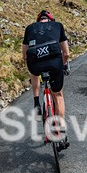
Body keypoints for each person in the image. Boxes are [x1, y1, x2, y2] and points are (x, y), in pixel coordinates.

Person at [23, 9, 70, 149]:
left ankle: (36, 101)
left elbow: (25, 56)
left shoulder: (30, 28)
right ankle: (60, 130)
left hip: (35, 64)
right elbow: (66, 54)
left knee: (34, 70)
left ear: (38, 21)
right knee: (58, 95)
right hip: (54, 62)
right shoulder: (57, 25)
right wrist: (62, 66)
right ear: (51, 19)